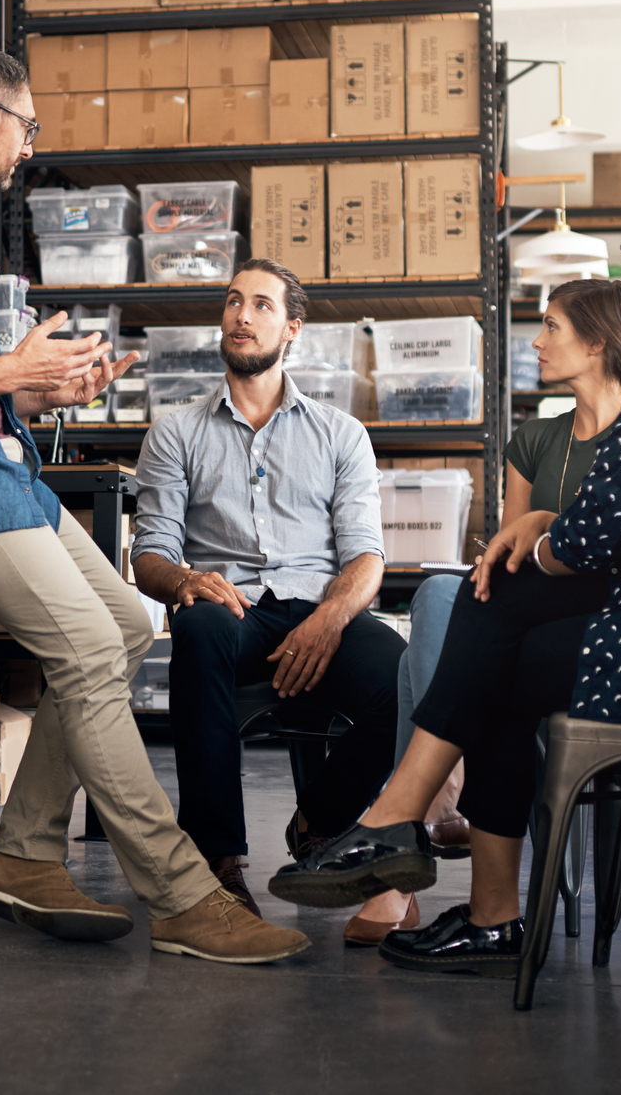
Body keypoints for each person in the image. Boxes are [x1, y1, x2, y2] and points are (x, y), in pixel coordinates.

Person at [0, 46, 309, 965]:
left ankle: (24, 855)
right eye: (29, 126)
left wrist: (42, 391)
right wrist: (12, 369)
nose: (30, 148)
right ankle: (182, 894)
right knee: (84, 646)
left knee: (122, 624)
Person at [269, 176, 621, 977]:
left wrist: (535, 538)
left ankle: (422, 842)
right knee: (496, 613)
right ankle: (416, 836)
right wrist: (541, 534)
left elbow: (593, 536)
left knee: (496, 631)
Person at [359, 276, 621, 939]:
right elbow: (505, 563)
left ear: (597, 341)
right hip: (528, 613)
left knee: (452, 618)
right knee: (447, 592)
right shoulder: (535, 439)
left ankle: (411, 816)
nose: (536, 343)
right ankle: (432, 796)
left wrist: (550, 531)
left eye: (550, 327)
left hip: (591, 630)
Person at [131, 258, 405, 942]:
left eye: (259, 304)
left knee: (402, 677)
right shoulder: (176, 430)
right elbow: (150, 553)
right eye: (231, 302)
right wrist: (183, 582)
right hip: (232, 611)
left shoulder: (340, 433)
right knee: (195, 631)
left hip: (322, 607)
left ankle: (318, 818)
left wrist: (329, 620)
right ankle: (216, 863)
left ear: (292, 328)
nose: (240, 315)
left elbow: (366, 556)